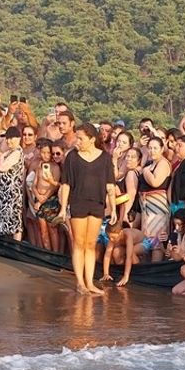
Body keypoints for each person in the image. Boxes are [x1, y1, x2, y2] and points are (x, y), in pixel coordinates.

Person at [59, 122, 114, 294]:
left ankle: (90, 283)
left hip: (97, 203)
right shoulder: (72, 157)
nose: (77, 141)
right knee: (79, 243)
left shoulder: (105, 158)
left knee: (91, 244)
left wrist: (113, 209)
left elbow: (110, 185)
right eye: (77, 138)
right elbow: (66, 184)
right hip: (78, 202)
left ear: (91, 139)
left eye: (81, 139)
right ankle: (80, 283)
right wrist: (63, 208)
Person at [0, 126, 26, 239]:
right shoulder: (10, 152)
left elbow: (2, 167)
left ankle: (16, 247)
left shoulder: (17, 152)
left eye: (12, 138)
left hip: (10, 193)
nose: (9, 141)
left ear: (19, 139)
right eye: (8, 138)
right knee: (2, 219)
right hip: (2, 193)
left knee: (14, 221)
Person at [139, 136, 172, 260]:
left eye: (155, 148)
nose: (152, 151)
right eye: (150, 148)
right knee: (146, 241)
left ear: (162, 149)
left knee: (157, 243)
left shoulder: (163, 163)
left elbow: (155, 182)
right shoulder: (150, 163)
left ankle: (155, 270)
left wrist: (146, 171)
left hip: (158, 210)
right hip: (146, 209)